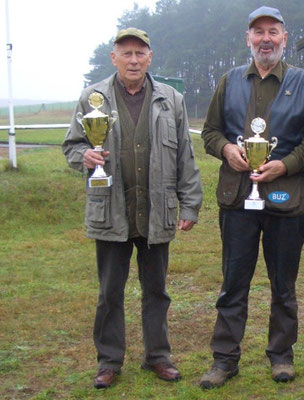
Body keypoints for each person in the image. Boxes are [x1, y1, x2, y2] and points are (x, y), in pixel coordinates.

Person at [62, 27, 202, 389]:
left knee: (156, 290)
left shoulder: (171, 99)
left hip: (156, 212)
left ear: (150, 57)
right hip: (111, 211)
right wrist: (85, 155)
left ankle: (157, 356)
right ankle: (109, 361)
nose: (134, 60)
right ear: (114, 58)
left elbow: (185, 154)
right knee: (110, 292)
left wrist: (190, 204)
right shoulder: (91, 98)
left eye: (140, 53)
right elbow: (71, 147)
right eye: (126, 53)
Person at [199, 6, 304, 389]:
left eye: (273, 31)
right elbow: (209, 132)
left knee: (283, 285)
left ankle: (282, 355)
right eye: (259, 32)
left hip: (288, 200)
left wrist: (284, 165)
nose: (266, 39)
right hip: (238, 199)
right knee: (233, 283)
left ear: (284, 38)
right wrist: (226, 150)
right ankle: (224, 360)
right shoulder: (229, 80)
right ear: (248, 39)